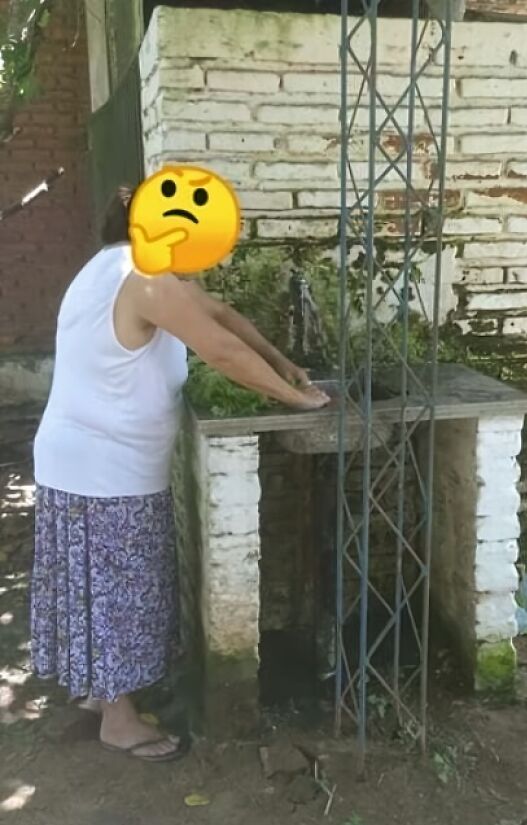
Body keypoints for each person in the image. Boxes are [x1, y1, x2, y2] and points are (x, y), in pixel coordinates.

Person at [31, 185, 330, 762]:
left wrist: (285, 365)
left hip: (82, 460)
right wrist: (295, 400)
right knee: (121, 588)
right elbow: (217, 347)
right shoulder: (142, 279)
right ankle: (118, 721)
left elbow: (219, 314)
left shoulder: (115, 268)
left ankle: (102, 693)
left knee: (96, 585)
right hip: (103, 467)